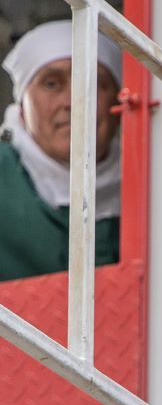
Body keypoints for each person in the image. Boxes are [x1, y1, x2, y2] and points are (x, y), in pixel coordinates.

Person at [0, 20, 122, 282]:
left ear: (118, 102)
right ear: (22, 106)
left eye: (93, 83)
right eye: (52, 84)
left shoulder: (154, 181)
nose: (72, 101)